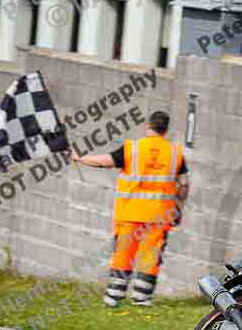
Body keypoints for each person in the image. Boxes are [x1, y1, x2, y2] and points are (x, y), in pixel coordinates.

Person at [73, 111, 189, 307]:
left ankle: (113, 298)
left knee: (123, 255)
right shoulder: (175, 153)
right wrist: (179, 208)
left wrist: (81, 158)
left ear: (148, 126)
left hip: (129, 214)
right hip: (159, 215)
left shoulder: (133, 148)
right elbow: (184, 185)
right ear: (165, 129)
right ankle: (141, 299)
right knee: (150, 257)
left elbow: (105, 161)